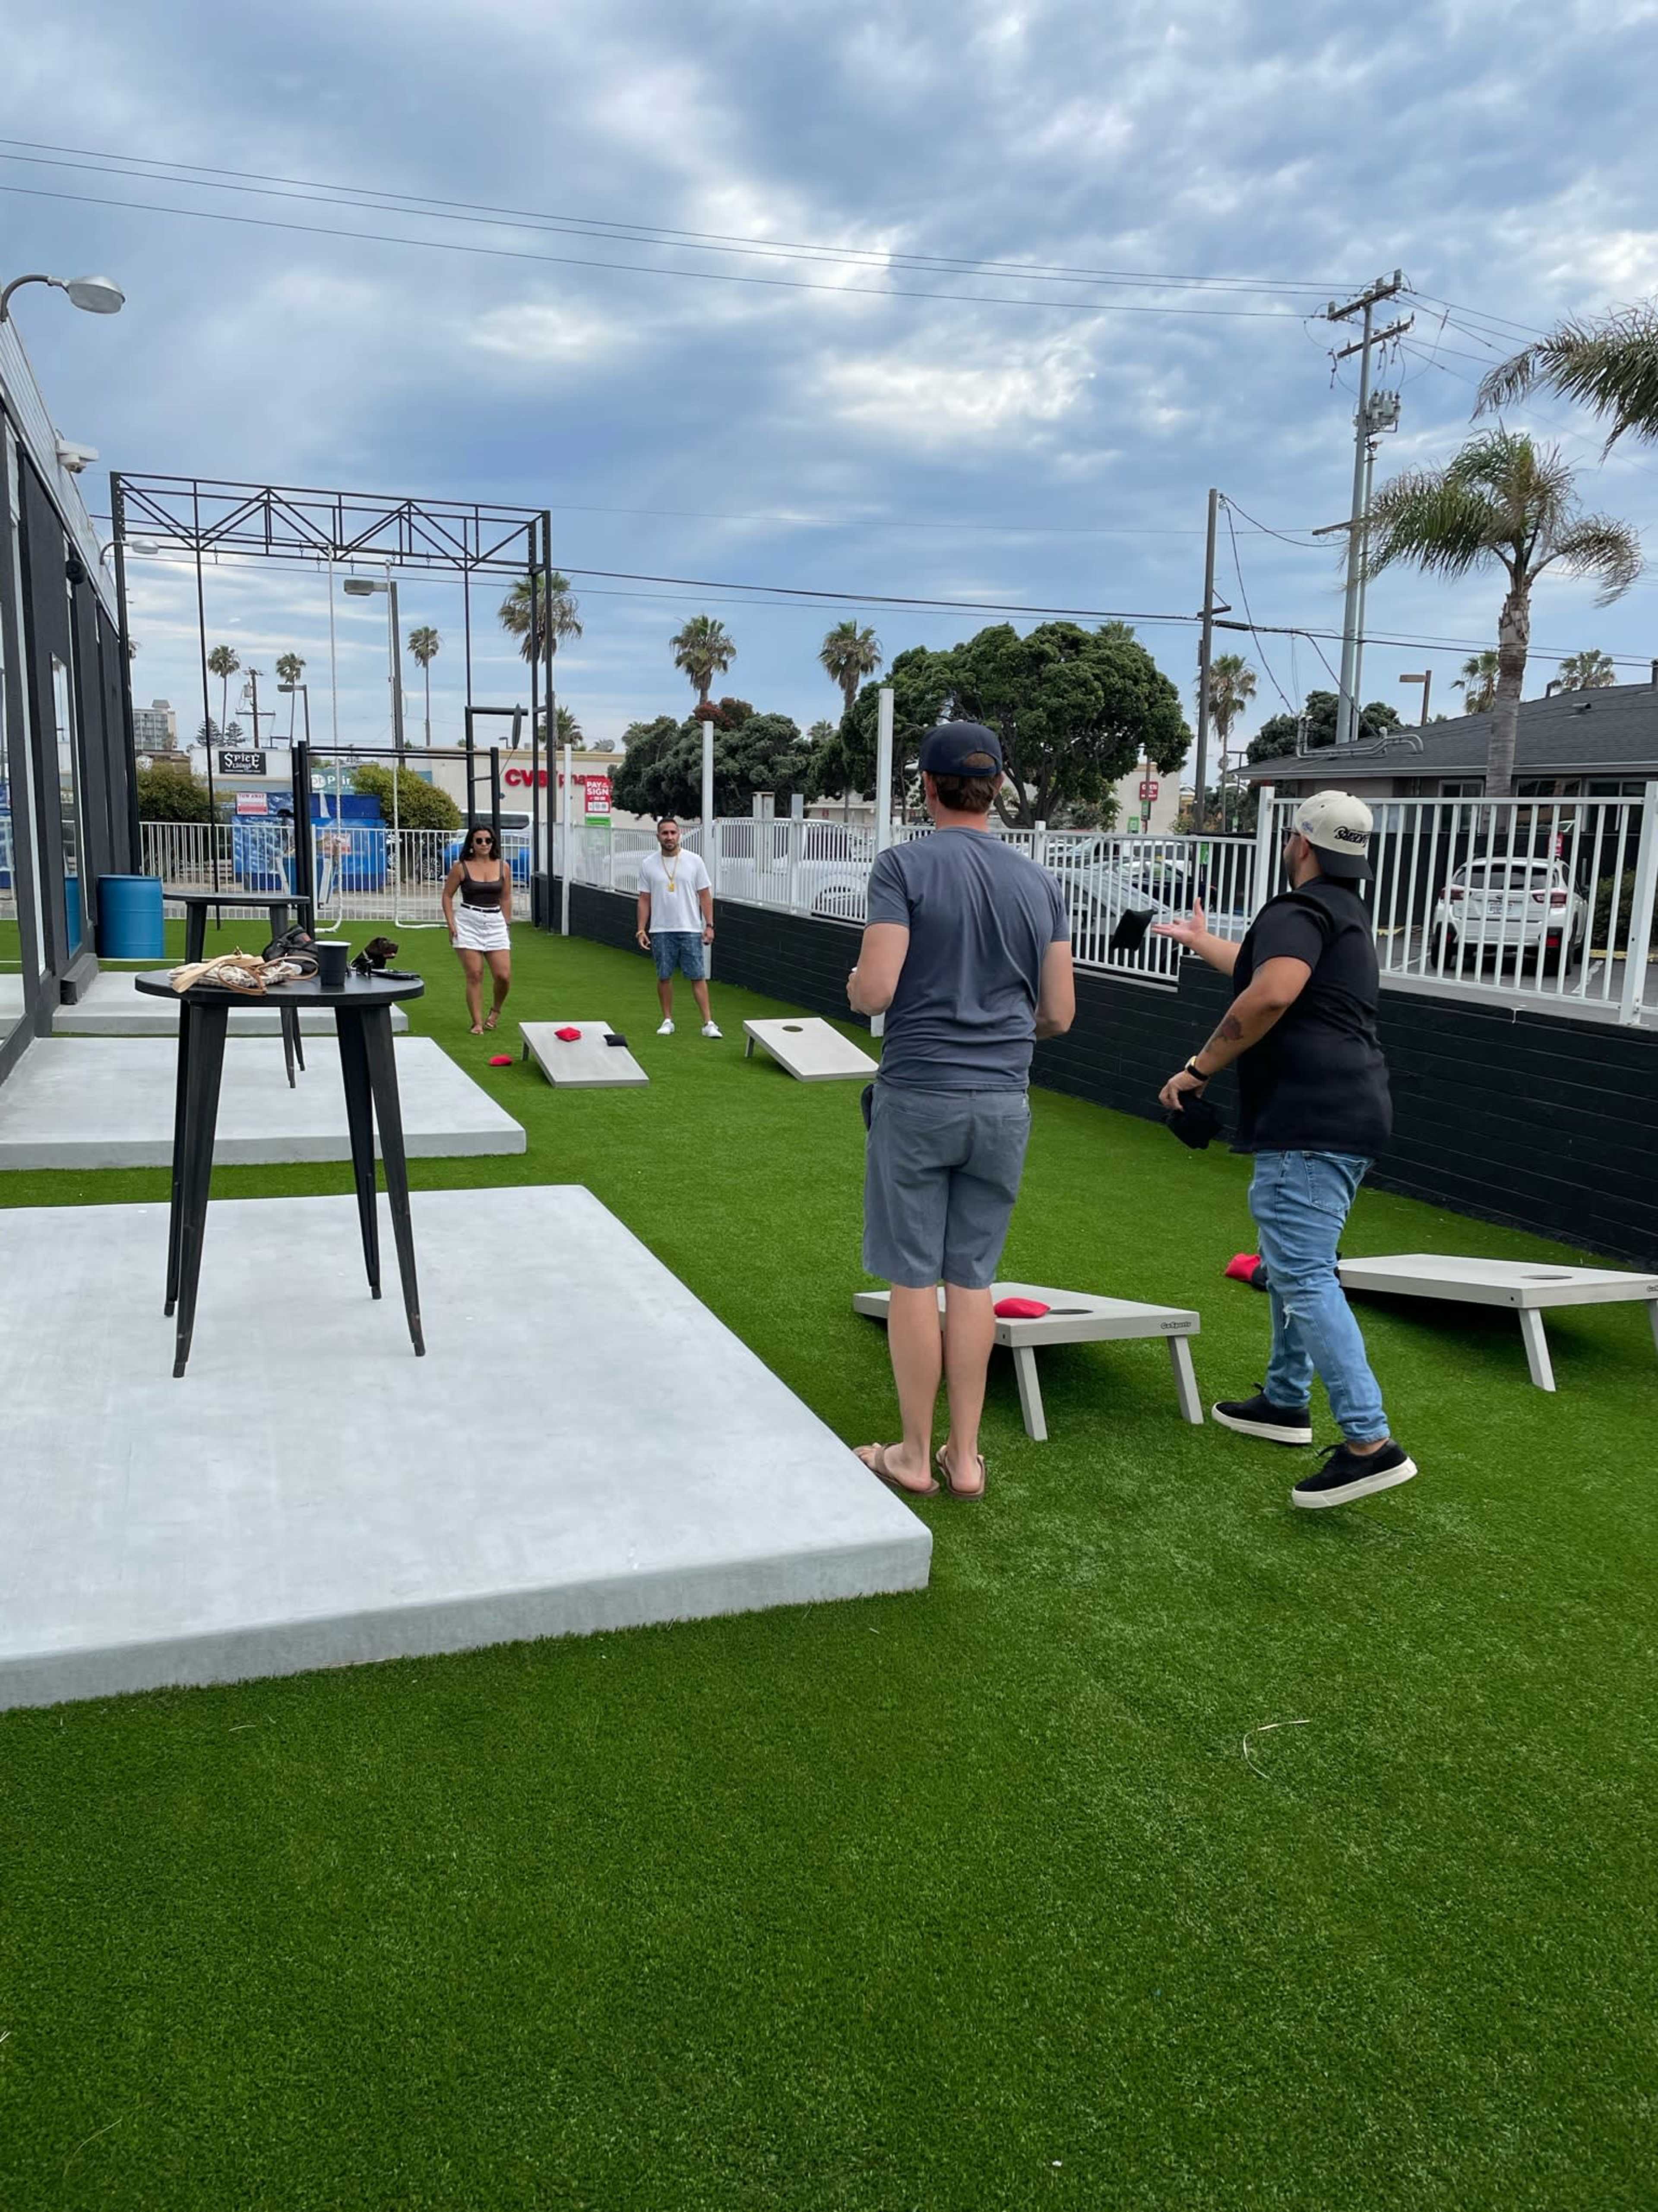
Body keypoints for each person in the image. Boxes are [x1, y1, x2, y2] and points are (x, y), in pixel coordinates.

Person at [1154, 789, 1416, 1509]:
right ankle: (1283, 1401)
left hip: (1311, 1117)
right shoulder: (1344, 913)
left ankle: (1369, 1442)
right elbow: (1275, 972)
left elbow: (1272, 992)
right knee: (1296, 1262)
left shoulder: (1296, 910)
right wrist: (1205, 944)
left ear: (1300, 843)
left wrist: (1198, 1069)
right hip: (1354, 1110)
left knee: (1301, 1270)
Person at [847, 722, 1075, 1502]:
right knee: (971, 1278)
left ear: (929, 787)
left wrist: (855, 986)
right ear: (998, 787)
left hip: (919, 1096)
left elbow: (875, 990)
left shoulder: (903, 865)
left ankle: (912, 1454)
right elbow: (1060, 1014)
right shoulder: (1040, 884)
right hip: (1004, 1103)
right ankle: (965, 1457)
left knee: (915, 1277)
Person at [635, 815, 721, 1038]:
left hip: (690, 928)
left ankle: (708, 1023)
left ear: (679, 835)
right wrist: (641, 929)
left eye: (673, 833)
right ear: (658, 837)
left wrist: (709, 925)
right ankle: (667, 1020)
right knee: (664, 975)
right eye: (665, 833)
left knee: (697, 975)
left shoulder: (695, 861)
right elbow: (645, 899)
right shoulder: (648, 864)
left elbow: (705, 895)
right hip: (661, 929)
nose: (669, 837)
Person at [441, 823, 512, 1035]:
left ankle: (496, 1011)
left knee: (503, 976)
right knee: (475, 974)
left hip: (495, 921)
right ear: (471, 843)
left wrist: (506, 925)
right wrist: (451, 923)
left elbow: (506, 897)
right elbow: (447, 896)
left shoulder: (503, 867)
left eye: (488, 841)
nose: (484, 845)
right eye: (479, 841)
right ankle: (477, 1023)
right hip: (468, 920)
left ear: (493, 843)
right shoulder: (461, 867)